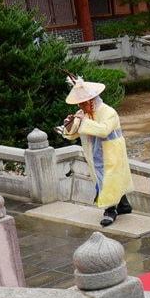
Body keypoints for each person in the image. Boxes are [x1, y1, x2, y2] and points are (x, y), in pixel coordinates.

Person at [59, 78, 132, 227]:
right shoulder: (82, 113)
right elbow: (73, 133)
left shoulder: (108, 112)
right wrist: (68, 126)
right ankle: (124, 205)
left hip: (111, 152)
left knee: (108, 180)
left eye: (83, 102)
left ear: (92, 100)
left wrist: (83, 122)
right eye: (80, 103)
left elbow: (104, 130)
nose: (81, 106)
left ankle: (110, 211)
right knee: (109, 180)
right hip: (94, 153)